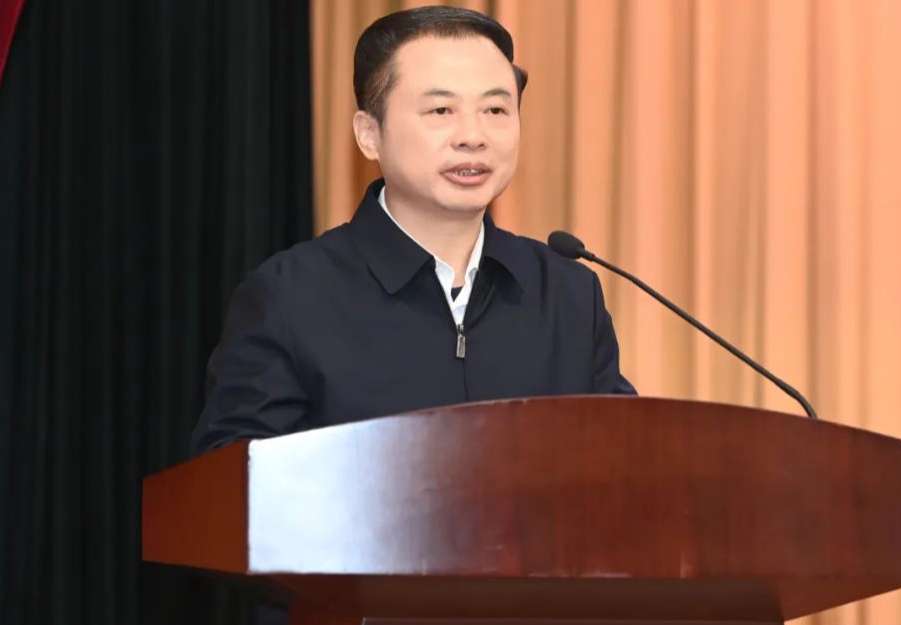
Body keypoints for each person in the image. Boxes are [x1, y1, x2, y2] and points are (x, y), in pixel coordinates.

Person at [190, 5, 635, 456]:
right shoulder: (291, 296)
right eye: (441, 109)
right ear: (369, 134)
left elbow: (625, 463)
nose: (473, 136)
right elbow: (232, 481)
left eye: (496, 109)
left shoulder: (567, 294)